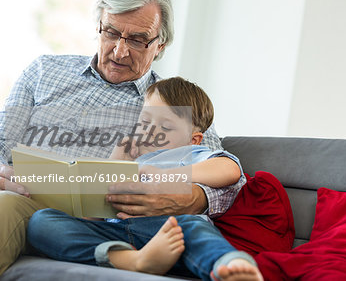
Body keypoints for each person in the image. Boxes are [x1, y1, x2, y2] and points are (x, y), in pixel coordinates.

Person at [0, 0, 245, 274]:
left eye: (138, 39)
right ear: (99, 27)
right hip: (29, 202)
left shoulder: (171, 102)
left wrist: (190, 197)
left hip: (112, 221)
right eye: (112, 33)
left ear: (160, 45)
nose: (119, 51)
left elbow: (230, 179)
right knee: (16, 207)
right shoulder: (43, 71)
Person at [27, 77, 263, 281]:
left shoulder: (190, 154)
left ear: (194, 139)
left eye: (166, 127)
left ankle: (229, 263)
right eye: (145, 121)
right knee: (42, 222)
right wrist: (116, 159)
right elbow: (91, 214)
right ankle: (130, 260)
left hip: (171, 233)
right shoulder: (133, 160)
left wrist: (166, 176)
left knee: (195, 226)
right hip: (116, 233)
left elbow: (229, 169)